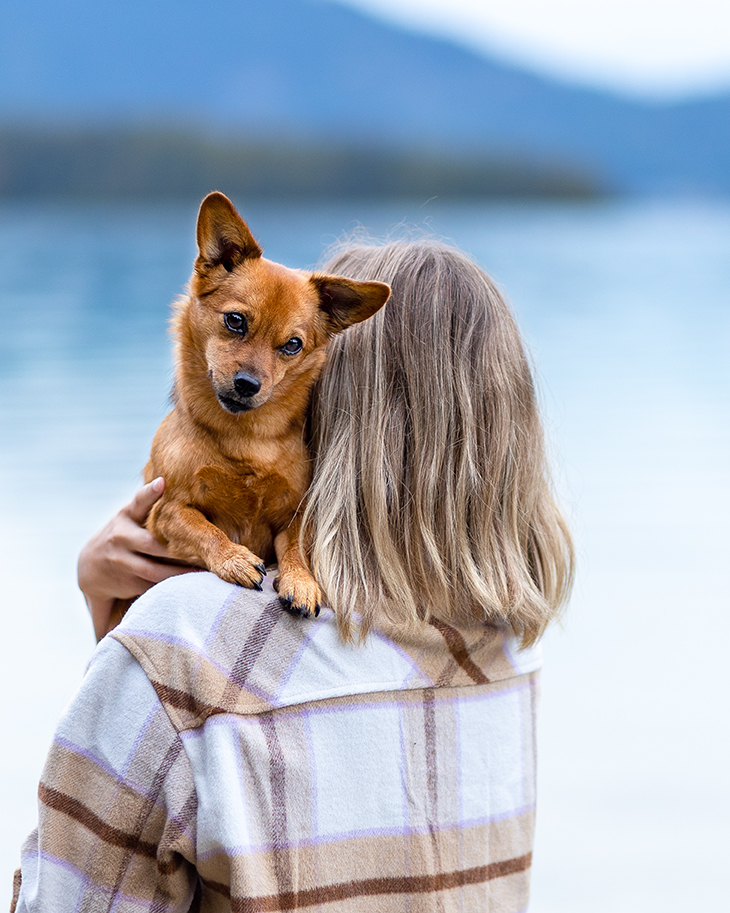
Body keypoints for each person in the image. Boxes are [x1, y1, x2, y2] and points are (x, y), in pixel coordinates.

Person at [12, 239, 573, 912]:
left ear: (332, 402)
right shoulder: (510, 649)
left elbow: (69, 896)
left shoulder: (187, 647)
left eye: (296, 354)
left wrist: (119, 642)